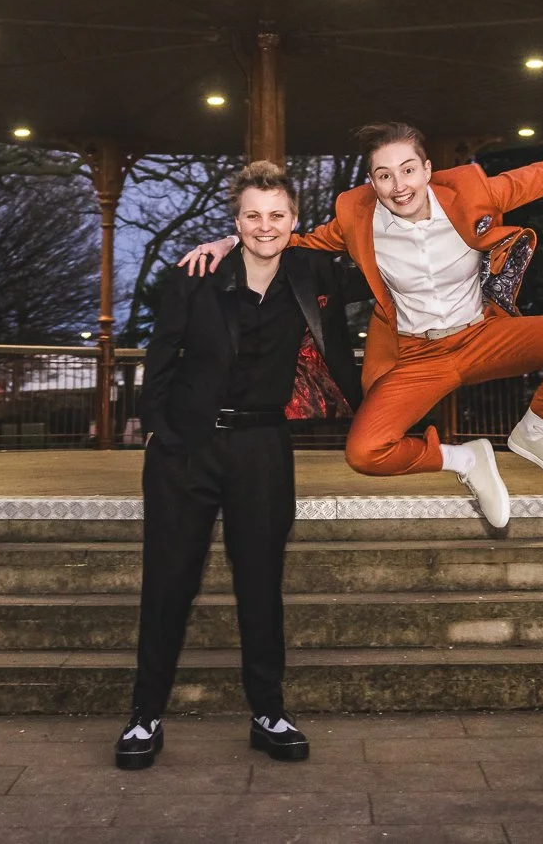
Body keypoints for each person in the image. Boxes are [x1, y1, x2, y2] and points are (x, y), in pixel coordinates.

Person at [182, 107, 543, 530]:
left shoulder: (475, 193)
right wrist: (231, 239)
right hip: (417, 354)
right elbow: (292, 241)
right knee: (365, 452)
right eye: (384, 175)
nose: (398, 185)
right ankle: (467, 460)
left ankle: (536, 429)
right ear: (373, 181)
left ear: (427, 169)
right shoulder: (355, 215)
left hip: (483, 336)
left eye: (408, 170)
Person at [116, 161, 364, 771]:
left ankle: (268, 713)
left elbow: (378, 243)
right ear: (236, 218)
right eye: (251, 215)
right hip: (187, 450)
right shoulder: (197, 274)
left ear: (295, 220)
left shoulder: (313, 273)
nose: (264, 225)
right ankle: (144, 716)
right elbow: (162, 354)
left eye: (276, 214)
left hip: (262, 449)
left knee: (260, 582)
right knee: (168, 582)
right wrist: (159, 434)